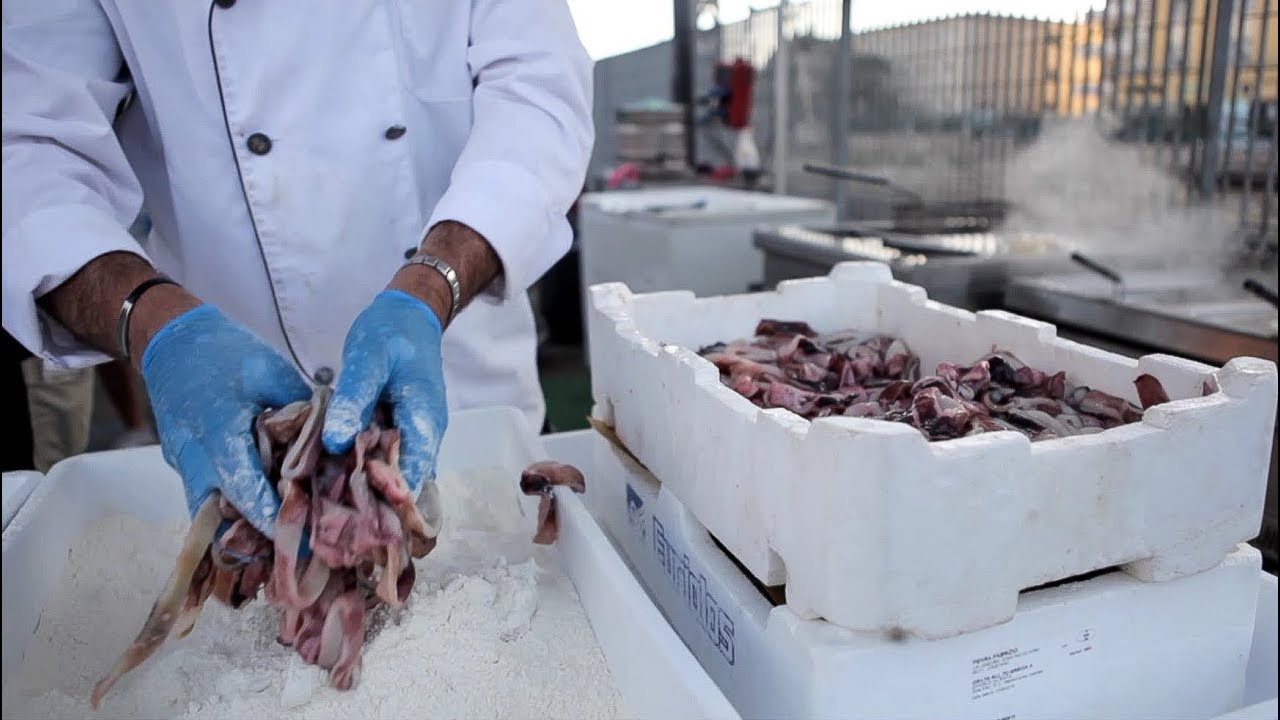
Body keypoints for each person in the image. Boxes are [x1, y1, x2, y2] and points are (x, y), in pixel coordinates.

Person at [2, 2, 594, 538]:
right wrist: (157, 326)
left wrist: (432, 285)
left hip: (465, 388)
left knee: (505, 575)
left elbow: (539, 97)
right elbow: (28, 147)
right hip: (232, 415)